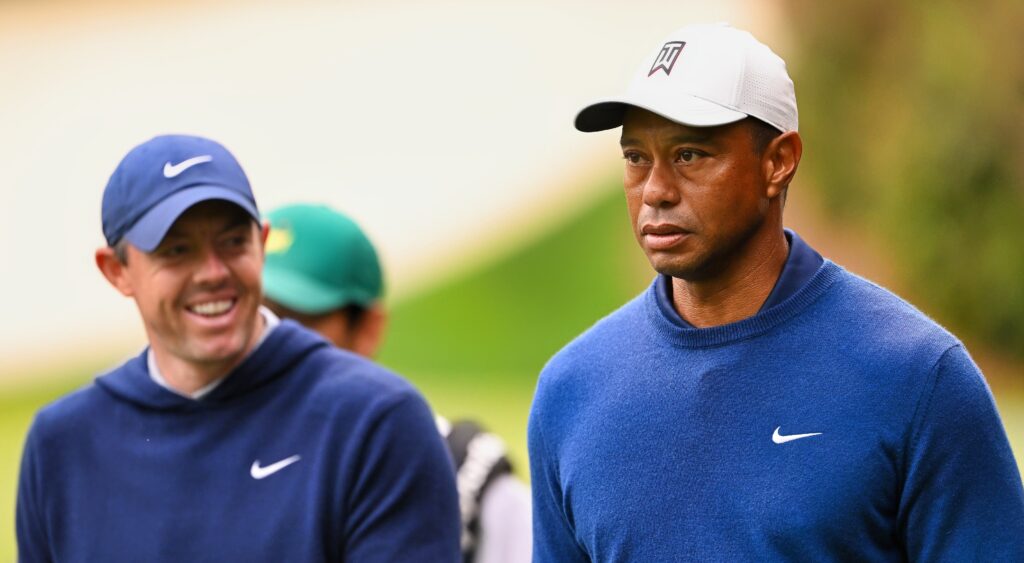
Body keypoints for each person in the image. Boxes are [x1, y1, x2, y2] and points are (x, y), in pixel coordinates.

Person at [528, 22, 1024, 561]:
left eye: (690, 155)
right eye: (635, 158)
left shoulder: (919, 379)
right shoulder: (570, 391)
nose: (656, 191)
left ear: (778, 162)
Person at [16, 135, 460, 562]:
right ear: (117, 271)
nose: (212, 272)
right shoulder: (63, 444)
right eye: (177, 250)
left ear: (261, 245)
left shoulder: (374, 420)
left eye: (232, 242)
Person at [261, 203, 532, 563]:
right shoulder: (198, 454)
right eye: (256, 317)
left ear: (368, 329)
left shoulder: (466, 476)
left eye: (296, 320)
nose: (272, 339)